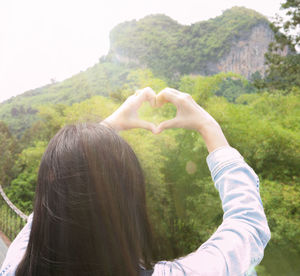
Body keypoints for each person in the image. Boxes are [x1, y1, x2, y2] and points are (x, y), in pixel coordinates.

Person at [0, 87, 271, 276]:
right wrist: (209, 127)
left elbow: (54, 203)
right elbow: (247, 224)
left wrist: (94, 138)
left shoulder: (15, 265)